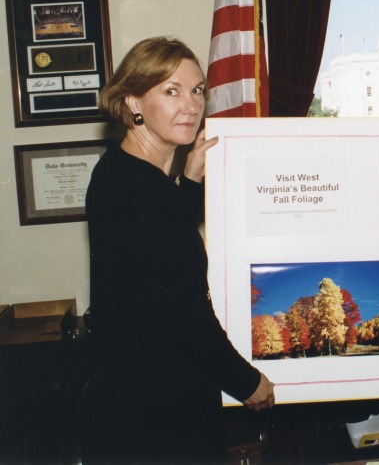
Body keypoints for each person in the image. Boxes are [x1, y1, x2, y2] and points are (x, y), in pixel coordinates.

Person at [81, 37, 274, 463]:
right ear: (133, 101)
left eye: (197, 90)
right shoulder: (134, 189)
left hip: (146, 396)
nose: (191, 105)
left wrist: (187, 182)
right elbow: (180, 312)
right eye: (171, 91)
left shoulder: (129, 174)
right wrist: (245, 381)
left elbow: (162, 253)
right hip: (153, 413)